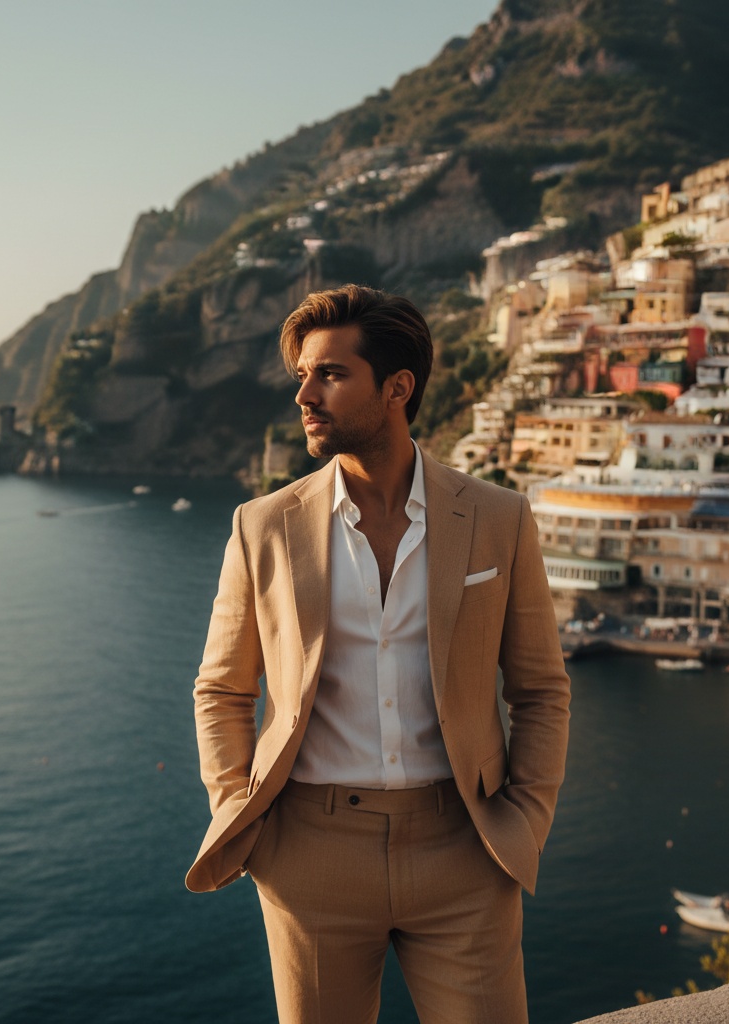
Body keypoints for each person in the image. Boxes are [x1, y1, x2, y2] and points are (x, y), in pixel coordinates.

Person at [186, 284, 571, 1024]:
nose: (305, 395)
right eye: (303, 375)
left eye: (331, 374)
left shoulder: (498, 518)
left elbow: (540, 689)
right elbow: (223, 689)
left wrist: (525, 817)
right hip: (311, 856)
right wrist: (239, 812)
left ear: (398, 388)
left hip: (464, 850)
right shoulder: (262, 526)